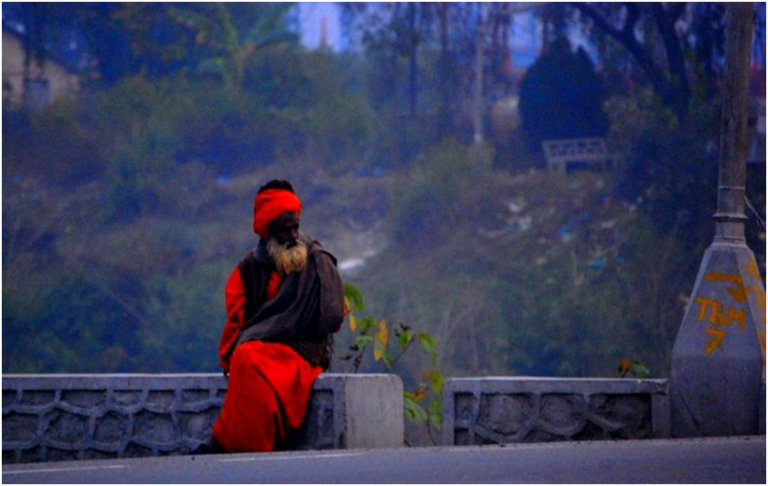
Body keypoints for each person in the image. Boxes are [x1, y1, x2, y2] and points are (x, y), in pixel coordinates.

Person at [211, 179, 345, 453]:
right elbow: (236, 320)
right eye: (285, 230)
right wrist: (229, 359)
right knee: (245, 357)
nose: (294, 236)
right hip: (262, 351)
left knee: (248, 357)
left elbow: (334, 316)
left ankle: (232, 443)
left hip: (303, 353)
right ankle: (251, 443)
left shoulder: (317, 260)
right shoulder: (249, 269)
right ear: (267, 233)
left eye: (296, 227)